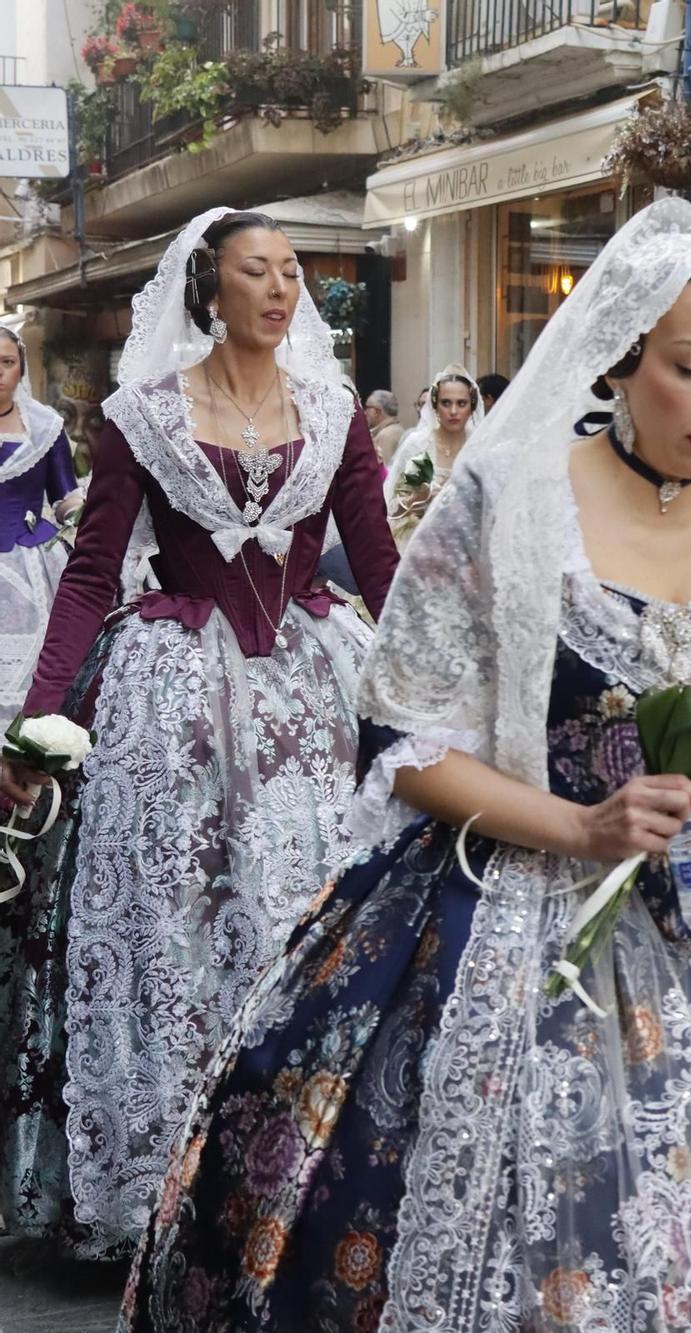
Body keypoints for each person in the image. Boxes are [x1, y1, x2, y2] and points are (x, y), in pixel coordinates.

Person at [116, 197, 691, 1331]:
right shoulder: (505, 506)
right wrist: (579, 829)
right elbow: (408, 742)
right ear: (619, 359)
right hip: (510, 899)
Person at [0, 208, 398, 1256]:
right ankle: (176, 1172)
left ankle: (302, 1165)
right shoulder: (142, 414)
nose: (278, 289)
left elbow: (382, 563)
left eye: (290, 272)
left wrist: (456, 687)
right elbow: (91, 576)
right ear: (208, 291)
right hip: (176, 703)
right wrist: (37, 723)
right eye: (254, 271)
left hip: (312, 698)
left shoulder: (335, 409)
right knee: (181, 923)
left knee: (306, 917)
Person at [0, 328, 81, 714]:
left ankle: (31, 745)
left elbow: (65, 495)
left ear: (21, 368)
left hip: (34, 559)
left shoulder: (46, 426)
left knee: (38, 657)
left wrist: (83, 516)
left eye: (7, 363)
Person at [383, 364, 484, 546]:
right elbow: (392, 509)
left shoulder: (479, 448)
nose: (453, 411)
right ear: (435, 407)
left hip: (468, 546)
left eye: (461, 403)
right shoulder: (420, 446)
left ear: (472, 407)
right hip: (420, 545)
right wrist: (418, 499)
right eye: (446, 403)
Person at [363, 388, 404, 467]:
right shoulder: (397, 429)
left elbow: (384, 472)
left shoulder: (385, 436)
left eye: (367, 408)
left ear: (377, 411)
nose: (365, 412)